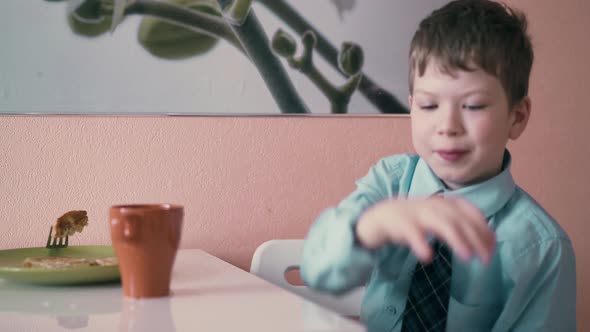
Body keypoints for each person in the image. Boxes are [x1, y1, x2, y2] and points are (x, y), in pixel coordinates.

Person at [300, 1, 576, 331]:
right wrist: (373, 226)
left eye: (473, 105)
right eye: (429, 105)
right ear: (412, 107)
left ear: (516, 117)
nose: (447, 125)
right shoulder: (390, 183)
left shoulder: (543, 249)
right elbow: (316, 269)